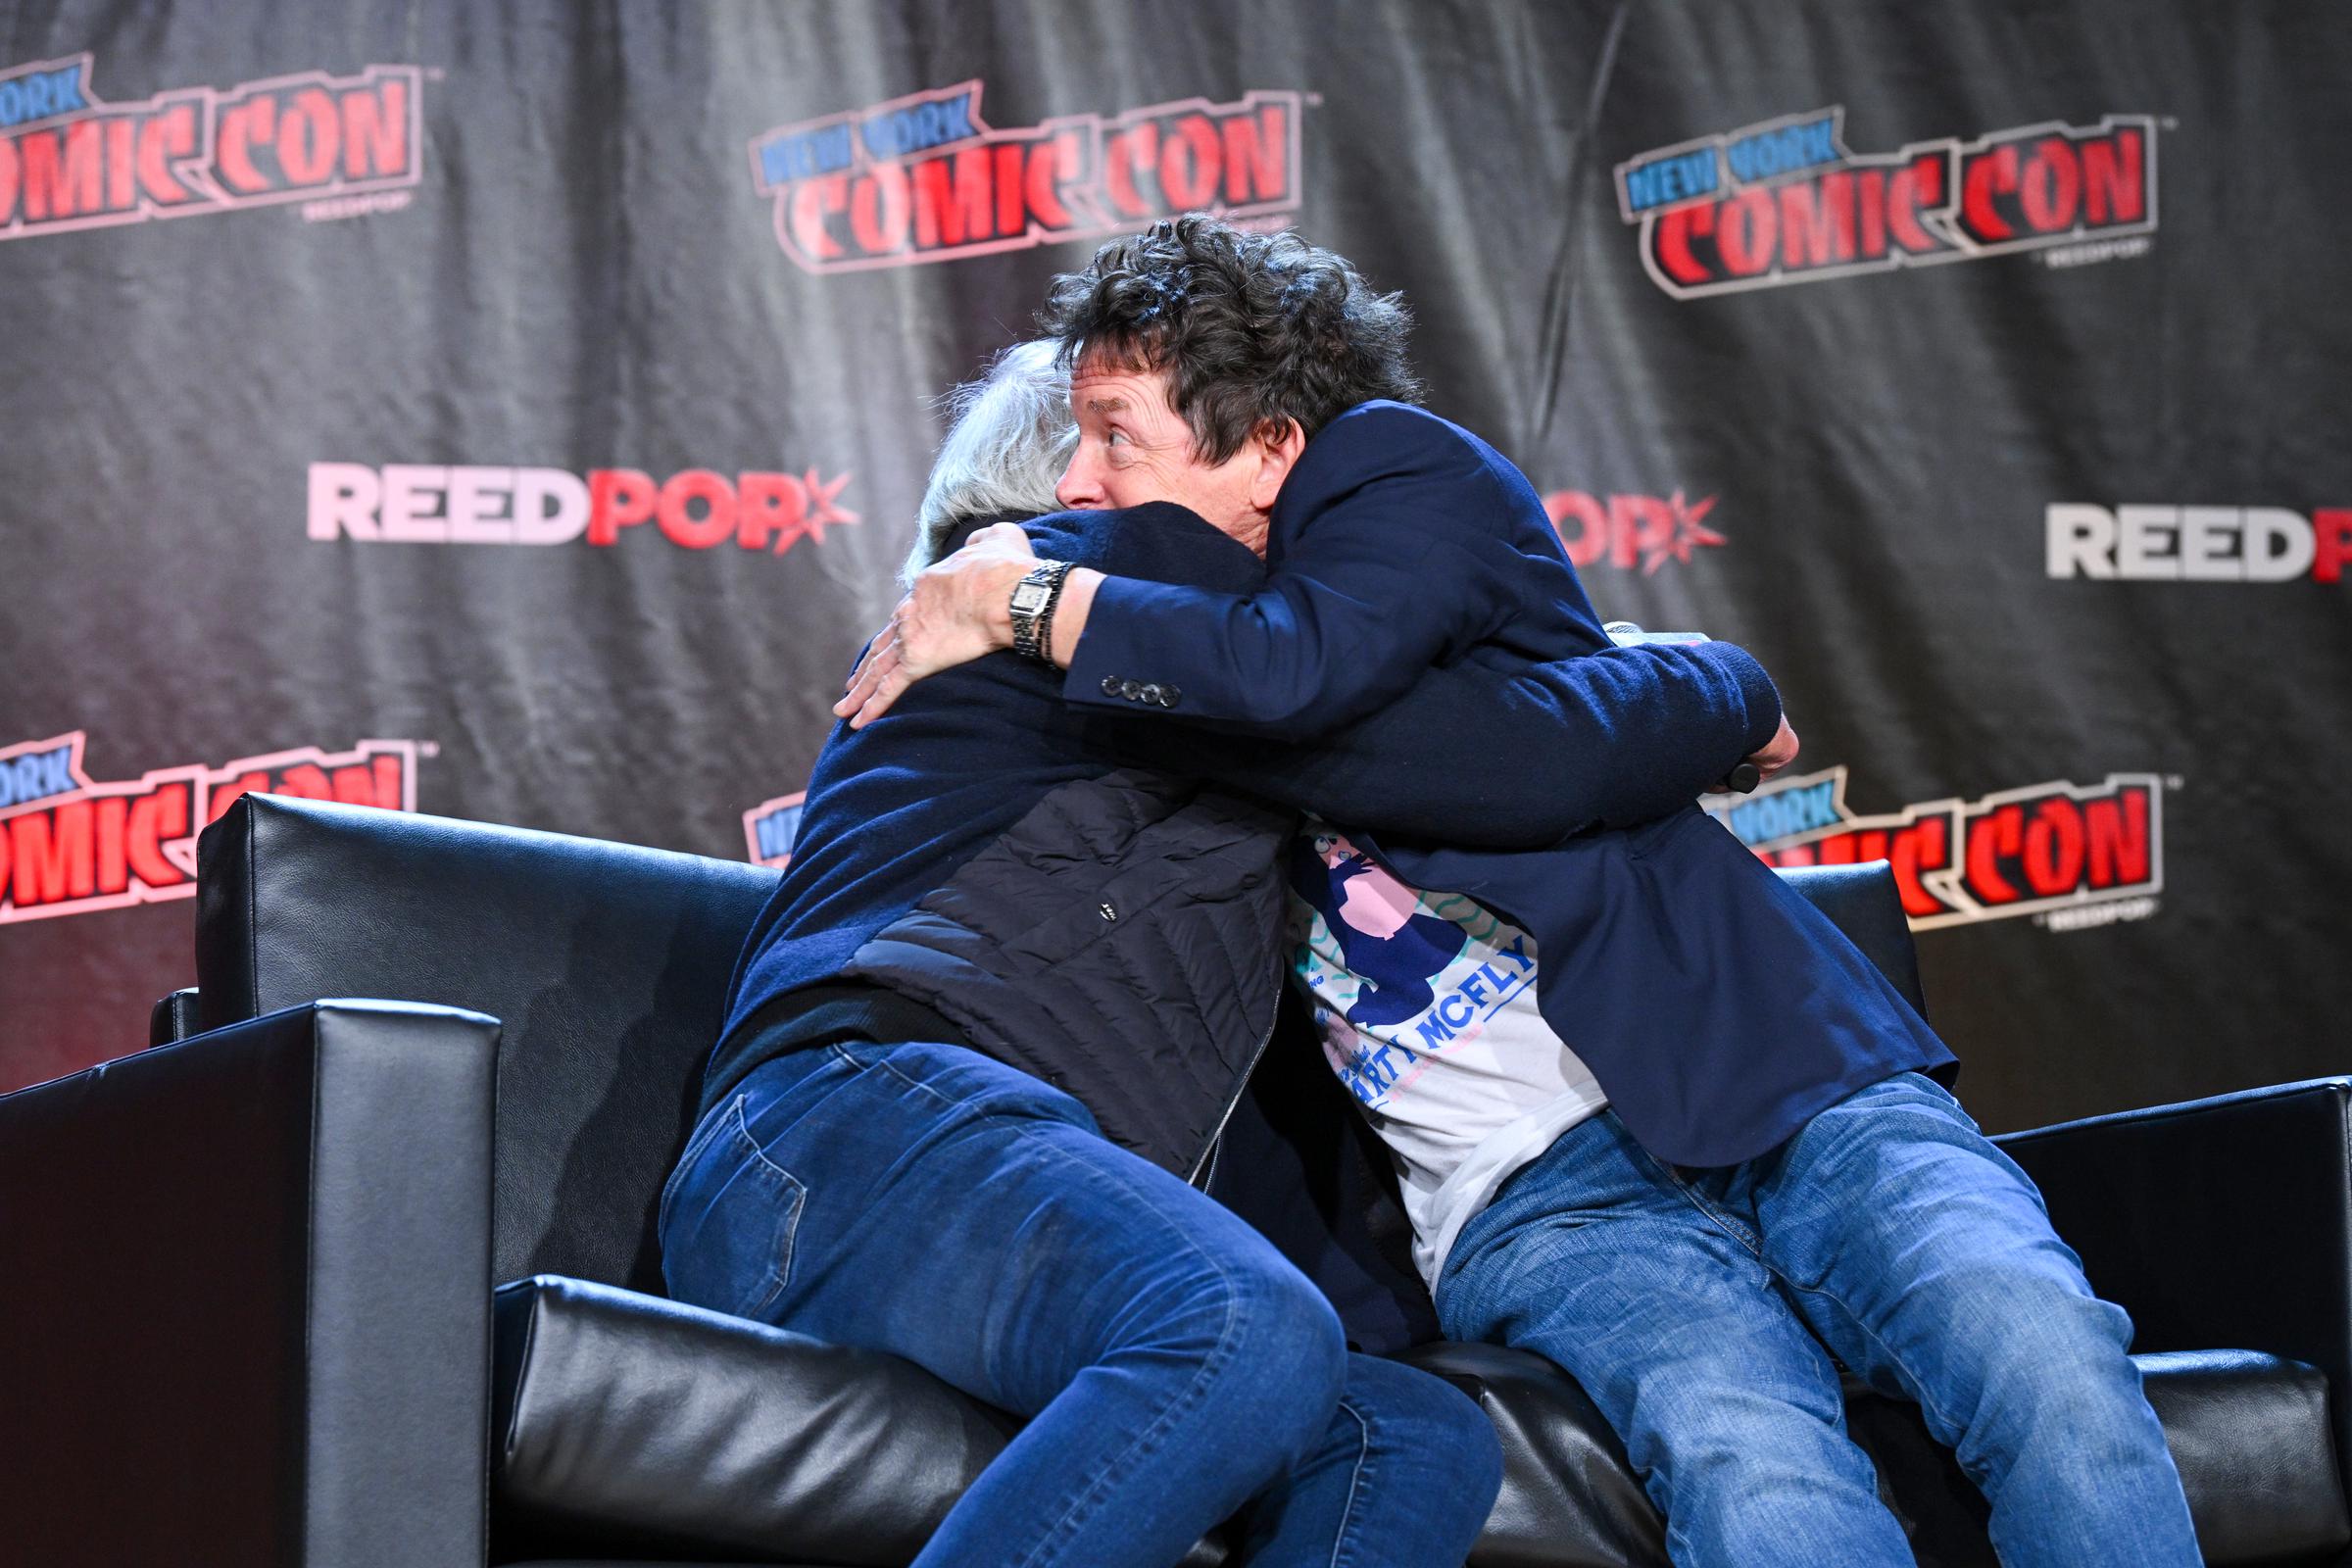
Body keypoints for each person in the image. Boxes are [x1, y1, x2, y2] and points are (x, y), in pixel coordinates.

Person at [838, 216, 2201, 1567]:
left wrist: (1025, 602)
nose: (1081, 488)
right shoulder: (1141, 696)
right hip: (1530, 1194)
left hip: (1781, 1069)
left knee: (2043, 1356)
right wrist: (1710, 688)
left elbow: (1474, 750)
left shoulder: (1386, 515)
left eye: (1119, 436)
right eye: (1069, 455)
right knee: (1752, 1464)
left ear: (1268, 447)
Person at [662, 338, 1786, 1567]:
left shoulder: (1138, 653)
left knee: (1408, 1437)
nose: (1311, 526)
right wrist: (1726, 689)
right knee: (1235, 1323)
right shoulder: (1106, 583)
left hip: (935, 1185)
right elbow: (1521, 751)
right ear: (1086, 487)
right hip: (854, 1131)